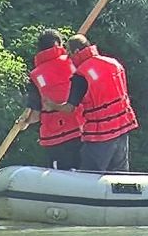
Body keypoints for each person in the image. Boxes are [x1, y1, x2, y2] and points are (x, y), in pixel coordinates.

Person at [43, 34, 139, 172]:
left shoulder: (81, 76)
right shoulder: (114, 64)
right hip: (122, 127)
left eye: (69, 53)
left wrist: (51, 105)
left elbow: (69, 108)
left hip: (100, 134)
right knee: (119, 175)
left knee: (90, 174)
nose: (68, 58)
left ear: (76, 52)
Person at [23, 29, 83, 170]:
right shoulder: (74, 61)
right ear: (59, 44)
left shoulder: (35, 75)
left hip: (54, 137)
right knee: (84, 174)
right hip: (81, 129)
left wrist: (25, 122)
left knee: (61, 178)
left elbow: (35, 115)